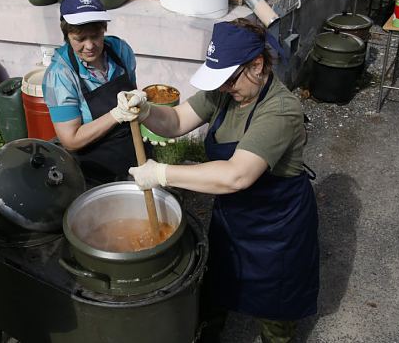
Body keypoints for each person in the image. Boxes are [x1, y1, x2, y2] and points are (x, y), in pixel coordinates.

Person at [119, 19, 320, 342]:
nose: (223, 87)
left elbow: (236, 175)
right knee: (223, 278)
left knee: (276, 304)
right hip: (235, 214)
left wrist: (162, 174)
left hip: (277, 223)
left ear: (257, 65)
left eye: (229, 79)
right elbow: (176, 121)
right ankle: (210, 329)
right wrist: (146, 112)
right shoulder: (224, 93)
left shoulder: (280, 111)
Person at [42, 0, 147, 185]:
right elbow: (70, 140)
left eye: (96, 36)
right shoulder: (60, 75)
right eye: (80, 39)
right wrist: (115, 115)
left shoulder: (120, 51)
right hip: (93, 169)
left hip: (133, 149)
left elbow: (132, 97)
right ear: (66, 35)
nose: (90, 46)